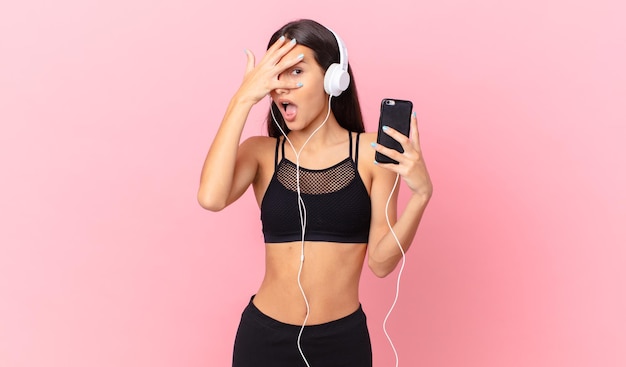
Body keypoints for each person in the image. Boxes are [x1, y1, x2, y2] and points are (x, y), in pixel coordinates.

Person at [198, 18, 432, 367]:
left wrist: (422, 195)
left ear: (332, 79)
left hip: (341, 343)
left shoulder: (371, 153)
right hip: (263, 340)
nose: (281, 87)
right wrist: (243, 97)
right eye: (276, 75)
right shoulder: (261, 153)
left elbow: (381, 263)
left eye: (296, 72)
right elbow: (211, 198)